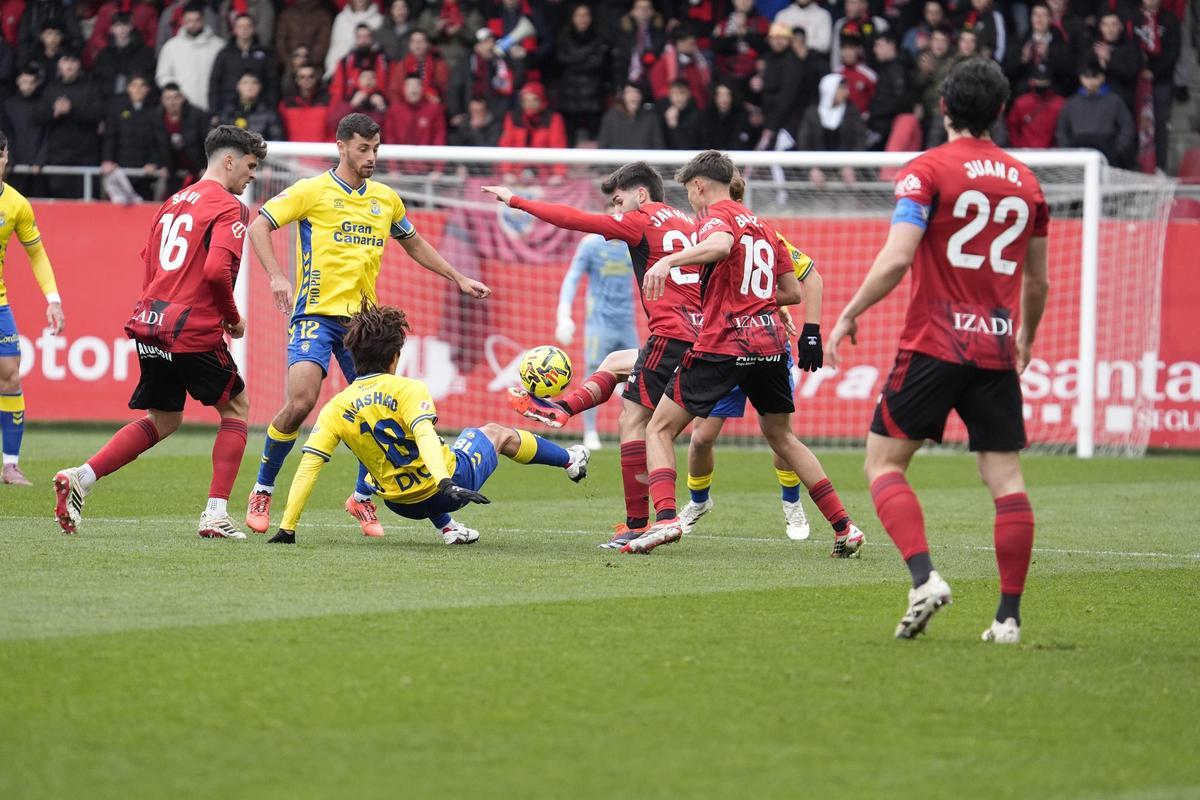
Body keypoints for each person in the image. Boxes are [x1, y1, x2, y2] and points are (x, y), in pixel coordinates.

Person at [825, 58, 1050, 643]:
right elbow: (1038, 281)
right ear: (1000, 112)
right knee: (1005, 478)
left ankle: (924, 579)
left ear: (944, 108)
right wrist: (1025, 336)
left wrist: (849, 312)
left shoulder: (926, 170)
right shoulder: (1027, 183)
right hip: (997, 348)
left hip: (934, 342)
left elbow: (899, 257)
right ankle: (1007, 619)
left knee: (883, 463)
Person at [245, 113, 491, 539]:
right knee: (302, 401)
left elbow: (413, 242)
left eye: (376, 148)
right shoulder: (312, 191)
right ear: (341, 147)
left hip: (362, 324)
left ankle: (361, 497)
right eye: (363, 148)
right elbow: (259, 225)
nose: (371, 157)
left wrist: (458, 277)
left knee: (377, 407)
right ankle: (263, 488)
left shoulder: (385, 199)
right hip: (315, 314)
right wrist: (277, 276)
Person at [627, 150, 865, 557]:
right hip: (770, 345)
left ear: (699, 185)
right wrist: (755, 303)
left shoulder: (717, 218)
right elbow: (791, 291)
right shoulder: (766, 227)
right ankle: (845, 526)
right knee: (782, 437)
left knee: (659, 428)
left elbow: (719, 245)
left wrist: (669, 260)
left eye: (690, 193)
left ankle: (665, 520)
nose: (692, 203)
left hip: (724, 343)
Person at [52, 126, 264, 537]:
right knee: (236, 409)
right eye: (251, 166)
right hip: (192, 327)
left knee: (164, 418)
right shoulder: (229, 207)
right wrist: (233, 319)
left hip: (151, 322)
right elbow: (217, 271)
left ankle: (82, 476)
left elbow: (149, 265)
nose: (253, 175)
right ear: (229, 160)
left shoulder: (171, 202)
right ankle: (216, 514)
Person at [482, 162, 702, 549]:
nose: (616, 210)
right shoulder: (689, 223)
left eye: (619, 201)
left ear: (640, 194)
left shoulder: (641, 219)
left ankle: (647, 523)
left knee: (634, 421)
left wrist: (516, 200)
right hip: (705, 339)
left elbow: (574, 219)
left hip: (672, 336)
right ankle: (562, 409)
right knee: (617, 362)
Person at [265, 302, 591, 546]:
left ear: (352, 354)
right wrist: (446, 482)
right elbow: (423, 435)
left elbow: (310, 467)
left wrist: (287, 527)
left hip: (398, 505)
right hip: (446, 488)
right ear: (395, 356)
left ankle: (448, 528)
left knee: (399, 448)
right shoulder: (410, 389)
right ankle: (571, 460)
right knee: (493, 433)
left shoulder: (335, 406)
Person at [679, 174, 827, 542]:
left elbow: (809, 278)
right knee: (701, 437)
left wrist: (810, 328)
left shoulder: (754, 233)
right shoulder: (714, 230)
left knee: (780, 437)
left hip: (761, 346)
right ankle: (698, 502)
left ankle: (792, 503)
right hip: (726, 344)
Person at [0, 131, 63, 485]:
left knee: (10, 373)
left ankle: (10, 465)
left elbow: (36, 254)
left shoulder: (17, 205)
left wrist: (53, 299)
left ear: (5, 155)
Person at [554, 197, 639, 451]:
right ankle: (590, 431)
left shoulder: (632, 244)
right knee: (594, 371)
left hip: (626, 321)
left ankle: (635, 427)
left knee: (640, 373)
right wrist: (563, 313)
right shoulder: (590, 245)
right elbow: (572, 277)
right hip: (599, 323)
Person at [101, 74, 169, 201]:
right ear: (128, 88)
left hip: (146, 175)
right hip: (120, 173)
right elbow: (111, 137)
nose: (138, 89)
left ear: (147, 89)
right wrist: (108, 160)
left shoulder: (155, 113)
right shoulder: (118, 111)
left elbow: (160, 142)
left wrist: (155, 163)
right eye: (134, 86)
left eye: (142, 86)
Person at [1056, 62, 1135, 168]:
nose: (1091, 81)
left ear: (1102, 78)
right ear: (1081, 78)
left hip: (1108, 157)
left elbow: (1127, 126)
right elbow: (1062, 130)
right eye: (1087, 77)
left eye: (1095, 77)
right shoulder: (1071, 103)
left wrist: (1117, 150)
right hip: (1077, 157)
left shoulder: (1115, 101)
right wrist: (1068, 151)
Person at [155, 3, 225, 114]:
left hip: (212, 108)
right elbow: (162, 76)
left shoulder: (218, 46)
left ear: (203, 20)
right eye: (189, 20)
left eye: (197, 20)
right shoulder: (171, 46)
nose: (193, 24)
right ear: (183, 21)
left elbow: (226, 77)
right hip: (182, 110)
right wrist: (176, 92)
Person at [208, 13, 278, 116]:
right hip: (228, 109)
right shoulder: (224, 53)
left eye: (248, 26)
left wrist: (269, 105)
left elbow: (273, 82)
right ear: (234, 30)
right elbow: (214, 83)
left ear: (253, 29)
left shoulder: (264, 53)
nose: (244, 29)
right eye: (240, 26)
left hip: (258, 109)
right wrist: (214, 111)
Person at [596, 82, 664, 150]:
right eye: (629, 92)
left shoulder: (651, 118)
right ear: (623, 96)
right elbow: (602, 146)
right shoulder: (610, 117)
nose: (634, 95)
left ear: (641, 96)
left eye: (637, 92)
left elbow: (659, 147)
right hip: (618, 160)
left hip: (643, 160)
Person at [218, 72, 284, 141]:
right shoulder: (228, 110)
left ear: (260, 87)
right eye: (245, 82)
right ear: (238, 86)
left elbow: (277, 139)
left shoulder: (269, 112)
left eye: (254, 83)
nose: (250, 86)